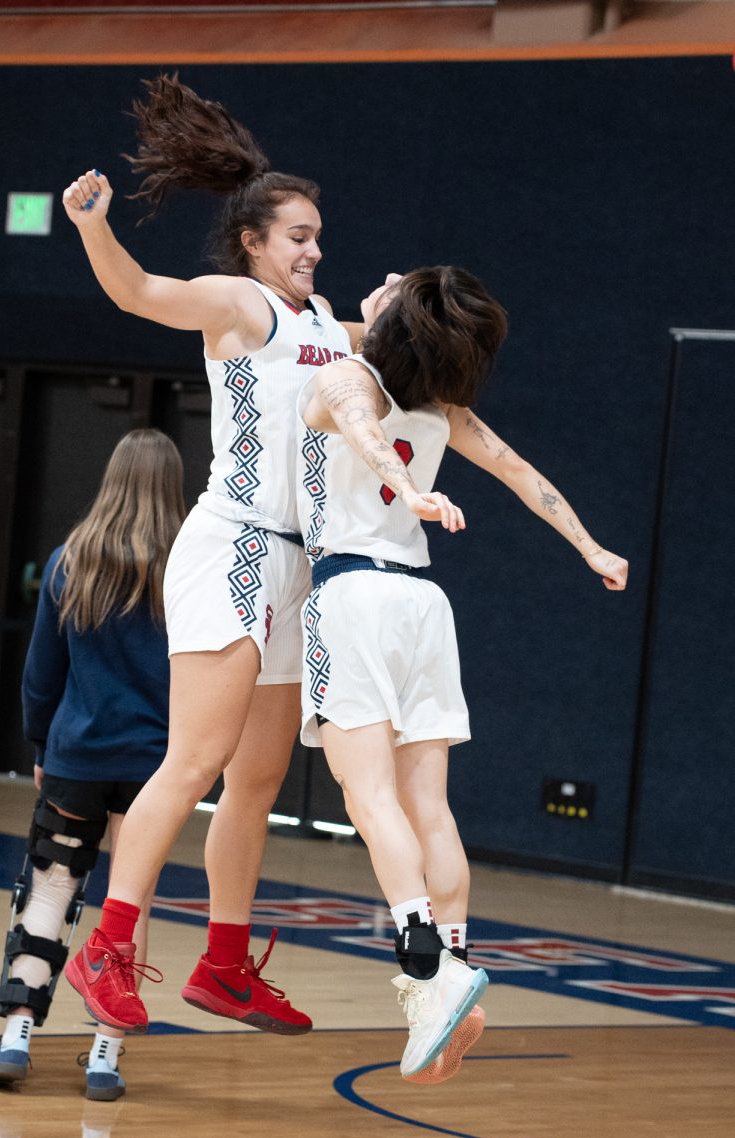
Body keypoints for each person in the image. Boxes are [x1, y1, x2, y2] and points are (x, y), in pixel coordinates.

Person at [62, 74, 359, 1037]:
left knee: (261, 782)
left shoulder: (321, 323)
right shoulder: (239, 304)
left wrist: (410, 308)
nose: (315, 249)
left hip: (294, 563)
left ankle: (224, 966)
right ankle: (106, 948)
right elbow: (143, 294)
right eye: (300, 236)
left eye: (318, 235)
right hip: (231, 545)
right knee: (193, 759)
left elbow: (384, 348)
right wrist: (96, 229)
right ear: (255, 244)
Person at [296, 266, 628, 1082]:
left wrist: (406, 488)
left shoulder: (346, 373)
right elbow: (524, 474)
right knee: (429, 805)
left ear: (394, 324)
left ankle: (421, 971)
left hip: (354, 593)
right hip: (423, 607)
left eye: (391, 284)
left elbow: (362, 428)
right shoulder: (446, 408)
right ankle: (456, 964)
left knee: (367, 799)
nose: (378, 280)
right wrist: (591, 548)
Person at [0, 428, 186, 1100]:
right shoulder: (188, 568)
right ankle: (104, 1054)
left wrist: (42, 745)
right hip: (155, 768)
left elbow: (42, 674)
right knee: (133, 900)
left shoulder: (73, 560)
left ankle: (15, 1036)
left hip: (76, 756)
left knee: (50, 888)